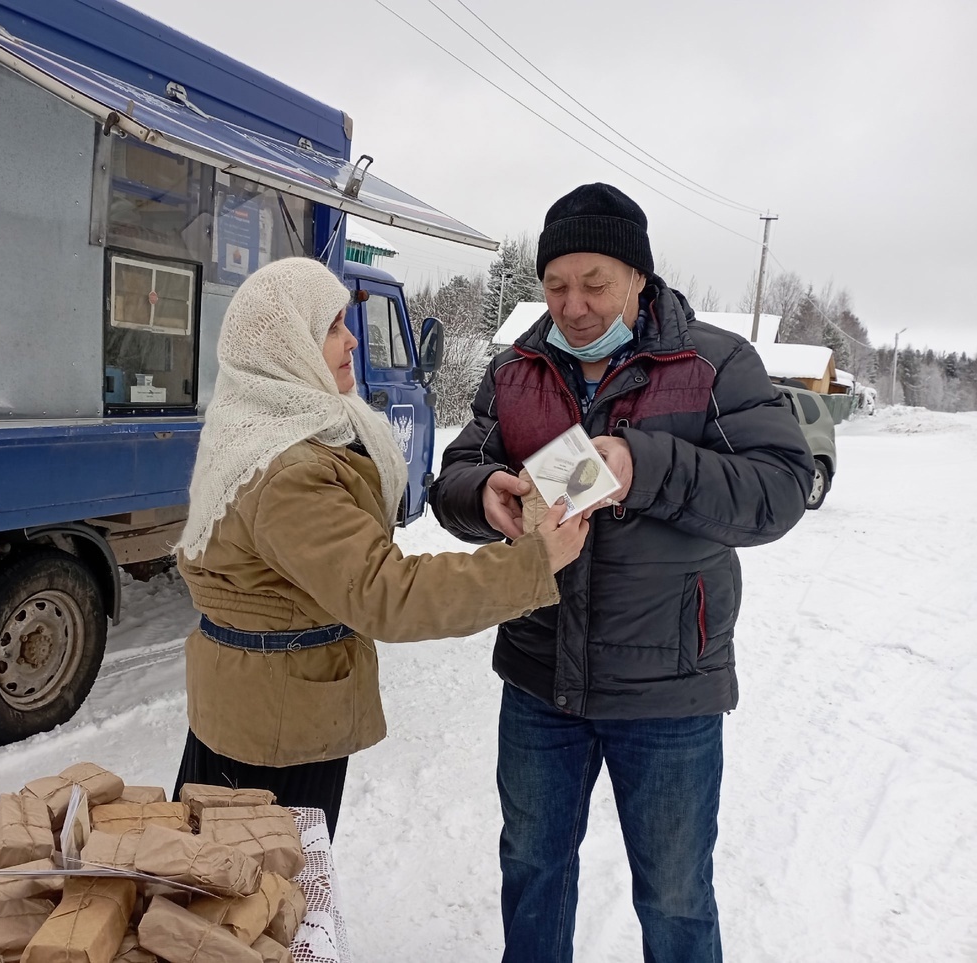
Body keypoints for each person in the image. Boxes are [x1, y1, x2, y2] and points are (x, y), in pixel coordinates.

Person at [430, 184, 814, 963]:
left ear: (639, 276)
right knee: (533, 869)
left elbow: (779, 488)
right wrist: (486, 496)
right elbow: (457, 473)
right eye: (556, 284)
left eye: (595, 282)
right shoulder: (515, 370)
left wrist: (647, 464)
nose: (572, 305)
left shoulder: (714, 364)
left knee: (674, 895)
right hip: (542, 677)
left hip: (669, 687)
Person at [171, 256, 588, 838]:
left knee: (235, 886)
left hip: (257, 704)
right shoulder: (287, 469)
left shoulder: (263, 422)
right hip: (275, 732)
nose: (352, 342)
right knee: (264, 902)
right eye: (334, 327)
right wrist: (533, 563)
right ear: (287, 345)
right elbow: (386, 591)